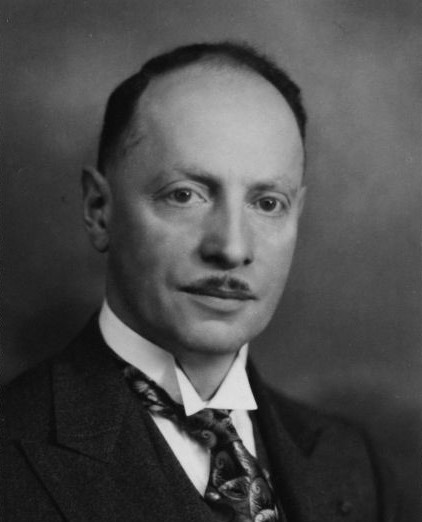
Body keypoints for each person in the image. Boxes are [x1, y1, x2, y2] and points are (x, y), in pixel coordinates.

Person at [3, 42, 399, 521]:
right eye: (185, 195)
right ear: (98, 210)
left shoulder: (350, 460)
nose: (232, 248)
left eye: (268, 202)